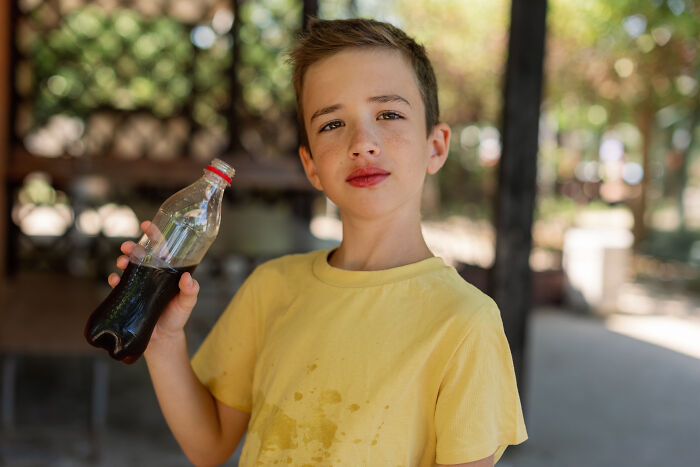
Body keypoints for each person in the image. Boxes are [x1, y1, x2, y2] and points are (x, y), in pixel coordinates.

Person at [110, 17, 527, 467]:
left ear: (436, 146)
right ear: (310, 166)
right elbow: (209, 446)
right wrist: (164, 340)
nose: (363, 143)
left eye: (388, 114)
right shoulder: (270, 288)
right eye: (332, 124)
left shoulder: (466, 322)